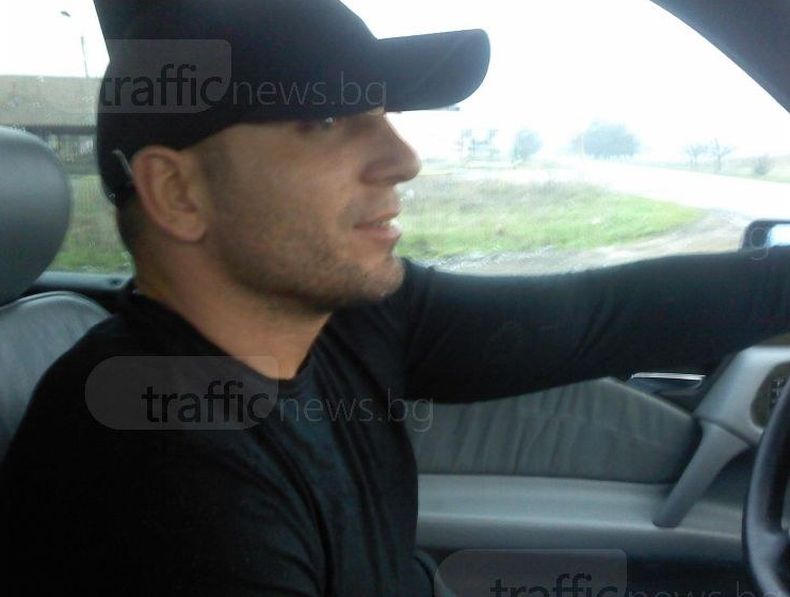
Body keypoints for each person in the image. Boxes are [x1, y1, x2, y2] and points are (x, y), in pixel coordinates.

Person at [2, 0, 790, 595]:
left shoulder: (346, 317)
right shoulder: (157, 482)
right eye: (325, 117)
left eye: (384, 113)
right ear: (178, 193)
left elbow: (593, 317)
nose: (403, 158)